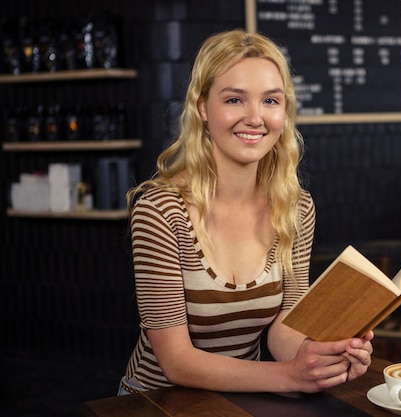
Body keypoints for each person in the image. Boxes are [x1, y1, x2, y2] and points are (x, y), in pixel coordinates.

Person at [118, 29, 374, 395]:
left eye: (271, 101)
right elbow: (176, 361)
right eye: (235, 100)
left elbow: (286, 324)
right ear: (203, 107)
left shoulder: (296, 208)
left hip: (243, 400)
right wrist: (288, 377)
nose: (255, 118)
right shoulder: (159, 210)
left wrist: (318, 358)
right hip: (155, 403)